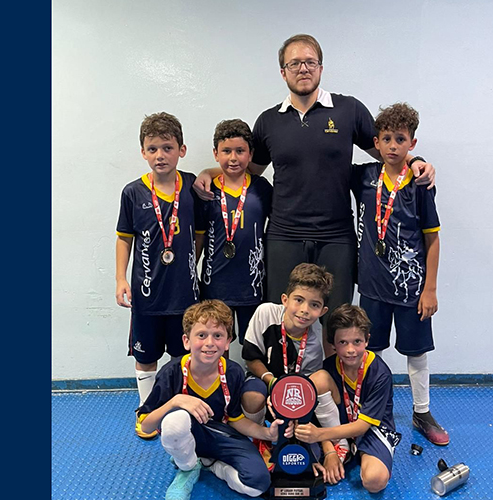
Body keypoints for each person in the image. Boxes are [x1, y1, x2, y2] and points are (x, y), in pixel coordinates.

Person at [194, 34, 436, 355]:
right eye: (294, 63)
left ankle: (331, 385)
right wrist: (209, 172)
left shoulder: (349, 110)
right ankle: (284, 384)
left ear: (321, 68)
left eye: (310, 62)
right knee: (282, 319)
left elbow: (387, 151)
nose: (303, 68)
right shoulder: (268, 121)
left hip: (336, 236)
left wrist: (416, 161)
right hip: (284, 235)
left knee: (336, 322)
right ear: (283, 72)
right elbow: (247, 169)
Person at [350, 102, 448, 445]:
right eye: (387, 139)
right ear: (376, 142)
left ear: (412, 143)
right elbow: (327, 165)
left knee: (416, 352)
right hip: (372, 286)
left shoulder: (420, 184)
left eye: (401, 139)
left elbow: (432, 239)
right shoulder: (363, 177)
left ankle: (422, 412)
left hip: (411, 288)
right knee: (369, 351)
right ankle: (372, 409)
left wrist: (430, 289)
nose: (393, 146)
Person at [136, 300, 293, 500]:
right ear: (186, 341)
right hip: (189, 435)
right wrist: (176, 401)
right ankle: (188, 467)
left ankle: (214, 466)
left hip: (221, 435)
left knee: (258, 484)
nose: (209, 342)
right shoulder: (171, 373)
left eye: (217, 336)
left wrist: (267, 433)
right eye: (201, 335)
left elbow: (236, 419)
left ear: (227, 342)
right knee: (175, 421)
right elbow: (146, 425)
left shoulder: (233, 372)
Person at [115, 111, 205, 439]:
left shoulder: (193, 187)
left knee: (183, 356)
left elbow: (199, 235)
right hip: (147, 295)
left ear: (181, 149)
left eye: (167, 148)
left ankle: (179, 410)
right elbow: (124, 238)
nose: (160, 155)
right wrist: (120, 279)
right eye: (152, 149)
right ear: (143, 152)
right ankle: (146, 410)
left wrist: (188, 264)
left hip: (184, 296)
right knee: (146, 357)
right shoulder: (133, 192)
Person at [239, 263, 349, 469]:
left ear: (323, 311)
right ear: (285, 299)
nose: (304, 310)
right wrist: (272, 383)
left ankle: (336, 443)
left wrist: (296, 414)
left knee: (321, 379)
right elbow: (251, 359)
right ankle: (260, 438)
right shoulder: (265, 313)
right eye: (299, 300)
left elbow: (308, 388)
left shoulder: (315, 340)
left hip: (294, 395)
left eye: (314, 305)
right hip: (265, 382)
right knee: (252, 395)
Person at [294, 304, 401, 493]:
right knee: (317, 380)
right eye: (343, 342)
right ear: (333, 344)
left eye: (357, 341)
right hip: (338, 423)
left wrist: (319, 435)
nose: (350, 349)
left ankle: (360, 452)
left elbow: (362, 426)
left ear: (367, 340)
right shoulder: (328, 366)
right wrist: (329, 450)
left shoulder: (380, 373)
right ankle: (342, 446)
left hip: (371, 428)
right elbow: (316, 417)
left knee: (375, 481)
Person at [198, 119, 272, 345]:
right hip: (216, 283)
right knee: (218, 344)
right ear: (215, 153)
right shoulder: (206, 190)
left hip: (252, 283)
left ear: (250, 154)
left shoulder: (262, 188)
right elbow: (199, 235)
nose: (233, 158)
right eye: (226, 151)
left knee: (253, 345)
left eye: (240, 151)